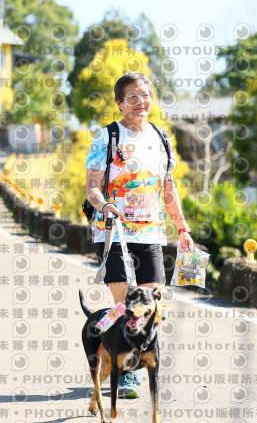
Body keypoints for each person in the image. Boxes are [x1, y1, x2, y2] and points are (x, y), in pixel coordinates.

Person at [85, 72, 193, 398]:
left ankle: (103, 332)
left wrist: (183, 228)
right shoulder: (107, 137)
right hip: (114, 233)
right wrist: (104, 205)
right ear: (119, 103)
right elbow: (92, 188)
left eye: (145, 95)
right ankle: (127, 372)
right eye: (132, 96)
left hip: (151, 235)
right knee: (126, 306)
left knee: (151, 309)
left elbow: (169, 189)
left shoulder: (162, 138)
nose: (140, 102)